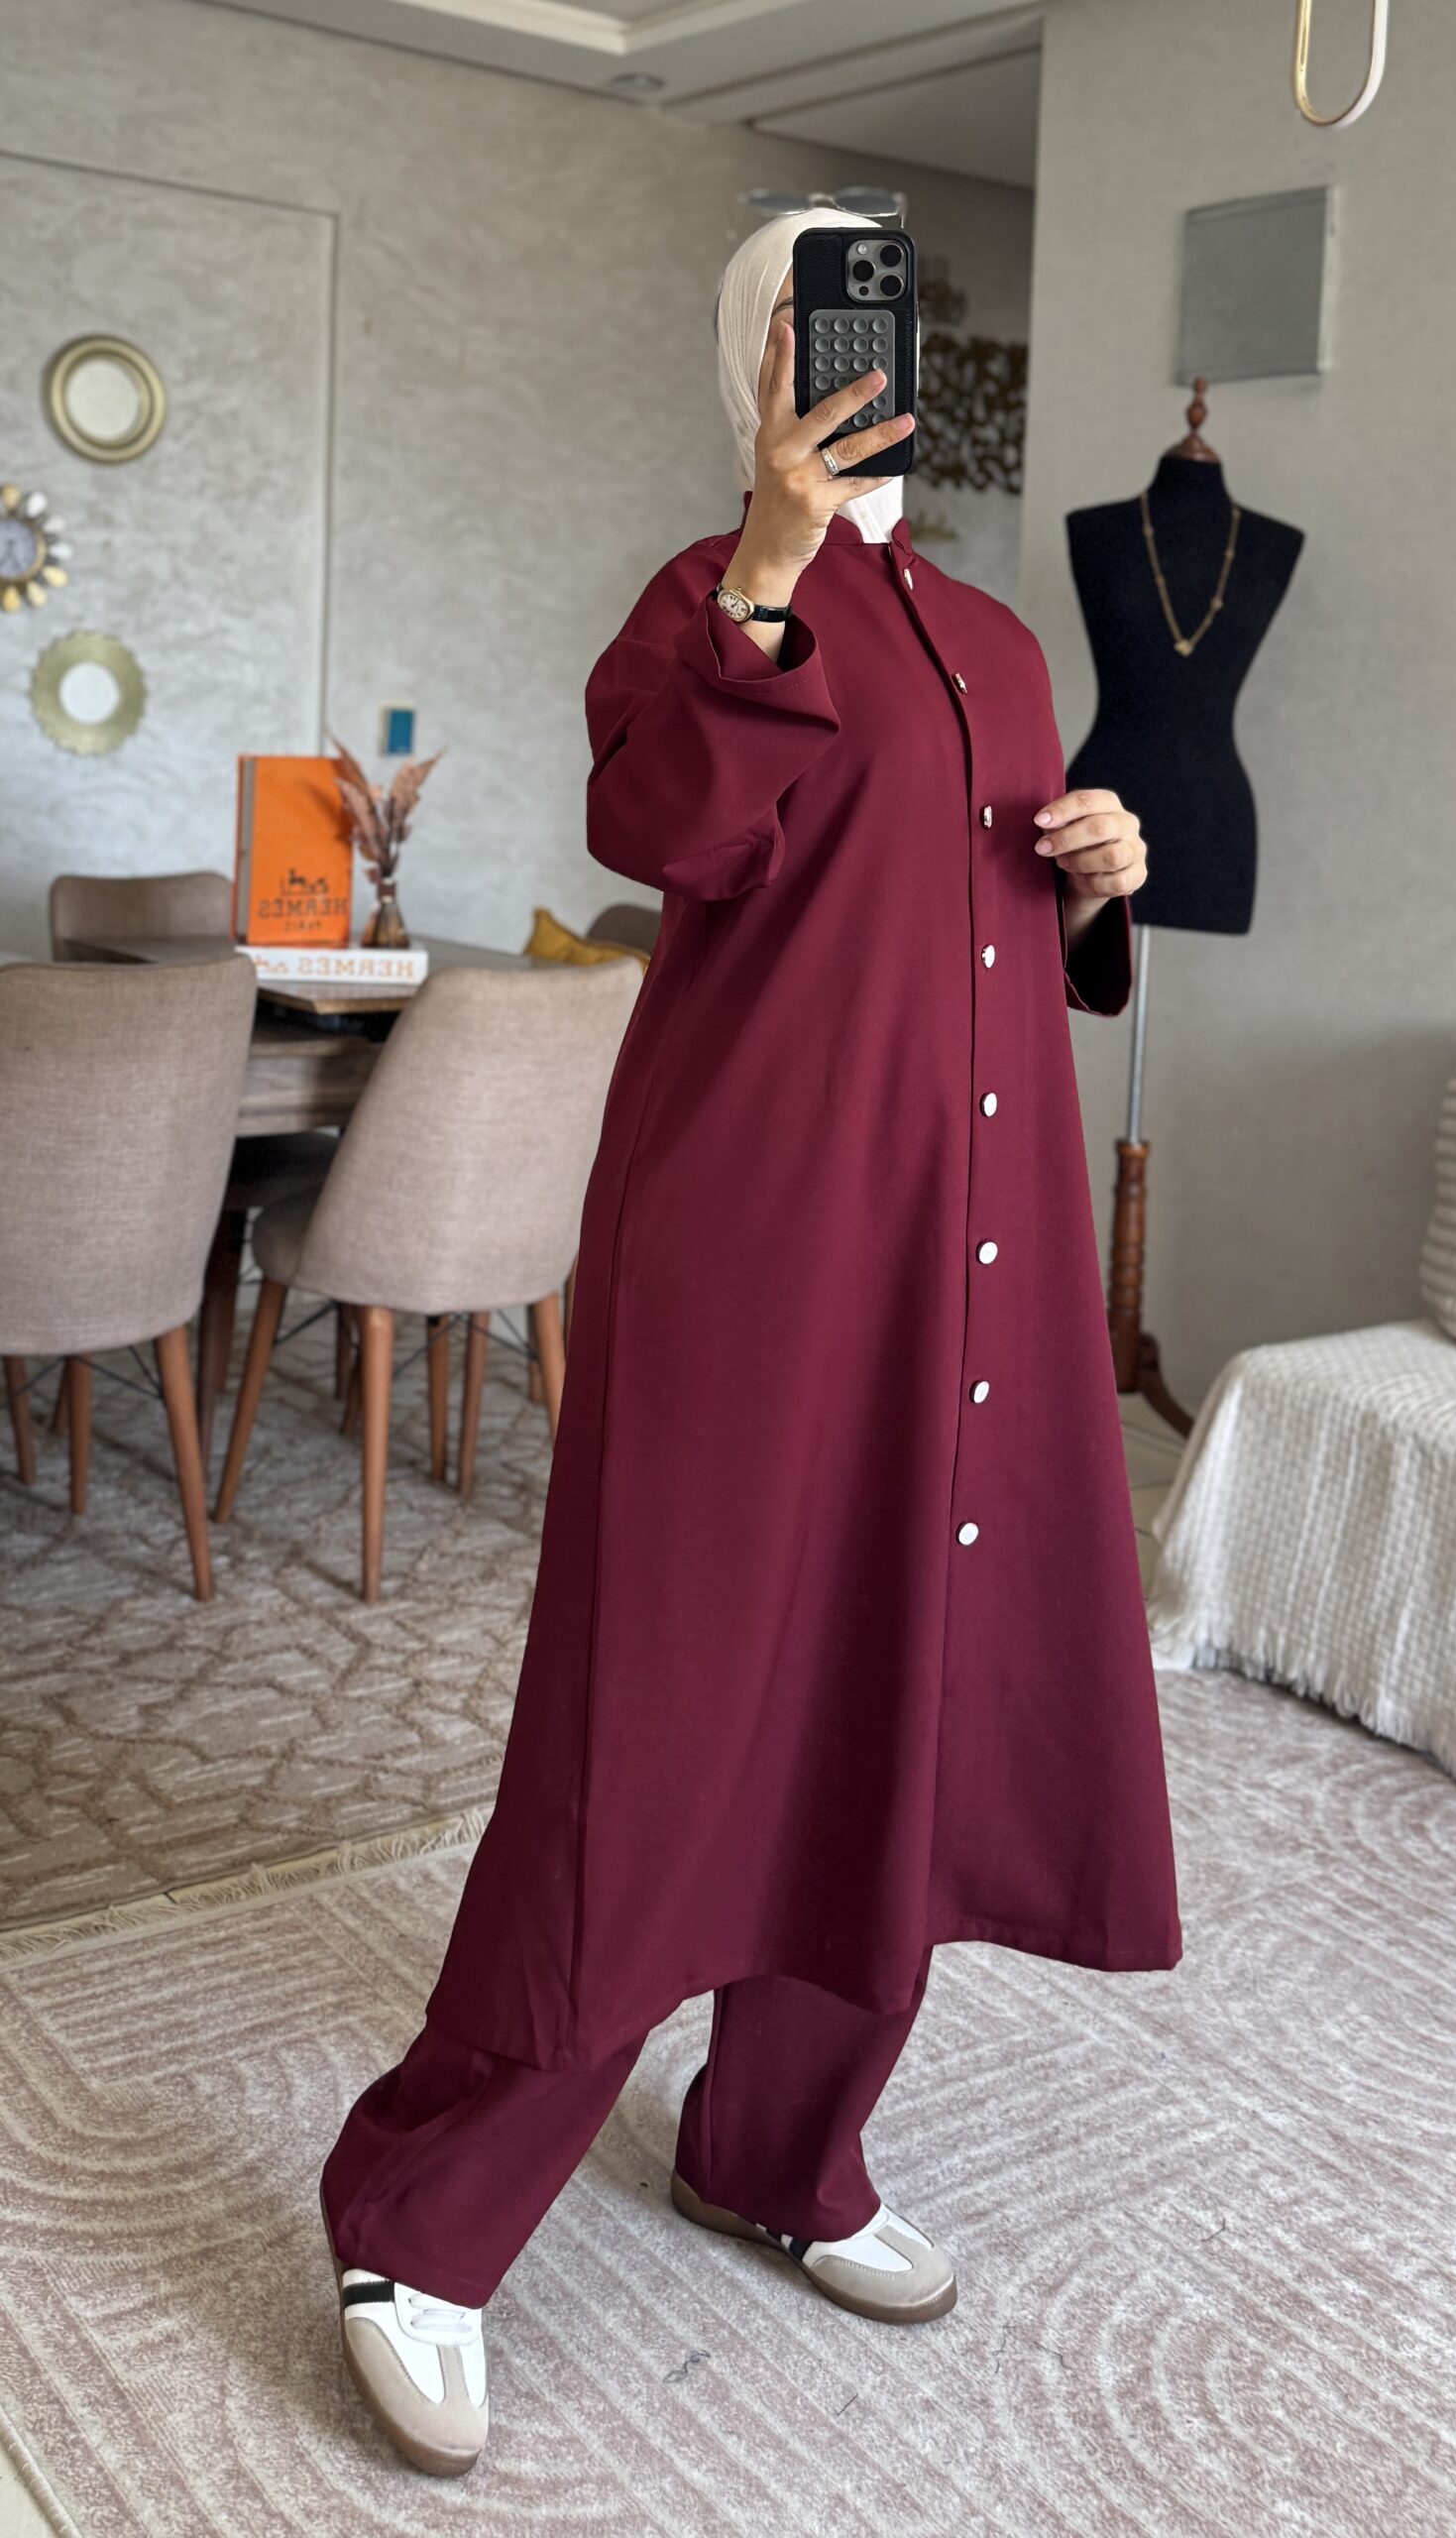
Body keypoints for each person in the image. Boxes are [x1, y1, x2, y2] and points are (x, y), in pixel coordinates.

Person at [320, 207, 1180, 2480]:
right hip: (749, 1252)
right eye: (811, 321)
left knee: (904, 1695)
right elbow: (663, 828)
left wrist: (1093, 882)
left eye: (873, 325)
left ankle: (780, 2147)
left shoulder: (1001, 642)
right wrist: (770, 568)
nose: (849, 359)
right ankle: (418, 2219)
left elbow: (972, 933)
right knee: (659, 1727)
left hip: (964, 1262)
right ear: (756, 355)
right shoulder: (698, 606)